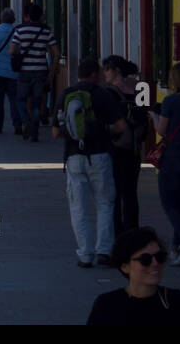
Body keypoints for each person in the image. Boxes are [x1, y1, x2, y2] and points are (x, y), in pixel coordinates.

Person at [52, 57, 126, 268]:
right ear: (94, 73)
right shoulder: (102, 95)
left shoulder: (66, 95)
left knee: (78, 208)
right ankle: (104, 251)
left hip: (74, 156)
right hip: (100, 155)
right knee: (104, 203)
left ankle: (85, 254)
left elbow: (56, 132)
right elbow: (120, 126)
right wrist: (104, 131)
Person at [86, 228, 180, 325]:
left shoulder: (178, 302)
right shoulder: (107, 305)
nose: (155, 263)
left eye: (159, 257)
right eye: (145, 260)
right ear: (125, 267)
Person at [101, 56, 149, 236]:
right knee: (130, 192)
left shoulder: (108, 93)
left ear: (116, 71)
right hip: (134, 147)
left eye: (107, 69)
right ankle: (133, 229)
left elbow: (106, 119)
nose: (104, 73)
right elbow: (145, 116)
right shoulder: (141, 88)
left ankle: (117, 231)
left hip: (115, 146)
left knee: (114, 191)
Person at [155, 61, 180, 266]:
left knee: (168, 201)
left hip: (172, 159)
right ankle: (176, 249)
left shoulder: (170, 102)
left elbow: (162, 130)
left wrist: (153, 116)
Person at [8, 2, 60, 143]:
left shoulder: (20, 31)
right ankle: (34, 134)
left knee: (20, 99)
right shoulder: (46, 32)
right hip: (41, 71)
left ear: (28, 16)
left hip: (25, 71)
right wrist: (52, 72)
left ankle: (26, 120)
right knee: (37, 103)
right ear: (40, 16)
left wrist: (20, 52)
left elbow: (12, 51)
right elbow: (56, 53)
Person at [0, 8, 24, 135]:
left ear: (1, 19)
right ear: (13, 20)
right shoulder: (18, 32)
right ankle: (17, 124)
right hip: (14, 72)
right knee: (14, 100)